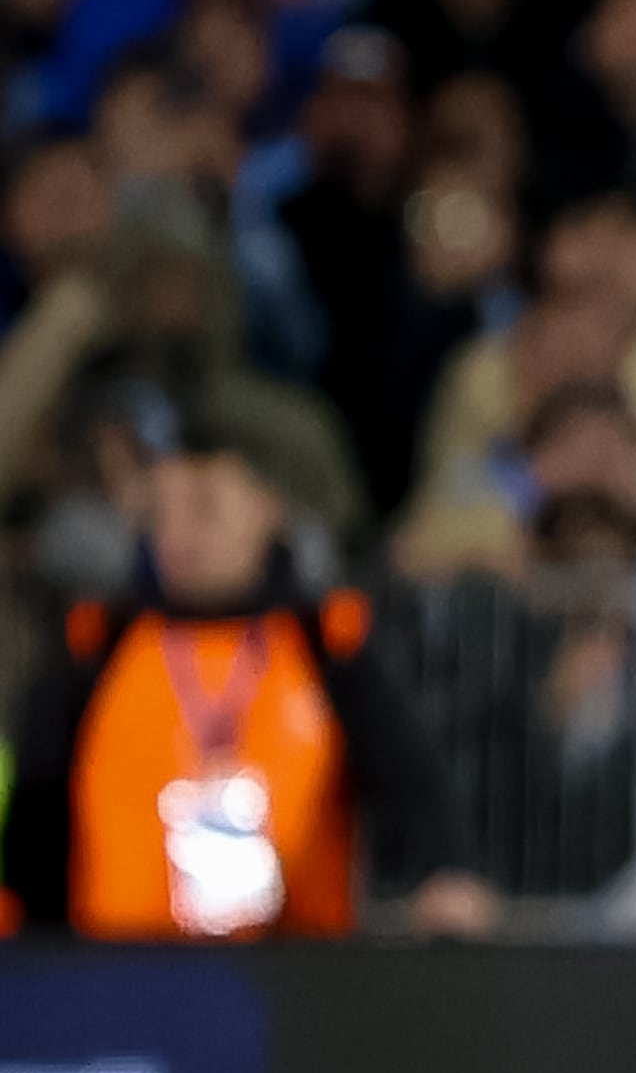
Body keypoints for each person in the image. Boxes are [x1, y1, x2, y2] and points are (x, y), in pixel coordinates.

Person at [0, 402, 437, 940]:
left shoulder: (327, 643)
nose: (178, 536)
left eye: (204, 508)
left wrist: (442, 875)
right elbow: (36, 816)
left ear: (267, 507)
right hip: (112, 979)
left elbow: (412, 778)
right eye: (163, 511)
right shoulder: (96, 646)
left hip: (301, 977)